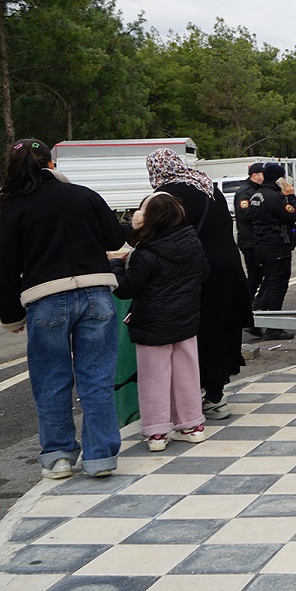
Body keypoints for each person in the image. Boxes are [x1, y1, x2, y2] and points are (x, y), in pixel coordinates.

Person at [0, 138, 129, 479]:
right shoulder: (83, 194)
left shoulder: (15, 207)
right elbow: (114, 239)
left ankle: (58, 456)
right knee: (96, 378)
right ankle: (100, 457)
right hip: (97, 292)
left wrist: (11, 315)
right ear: (52, 163)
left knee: (51, 378)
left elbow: (5, 267)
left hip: (46, 297)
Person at [147, 149, 256, 415]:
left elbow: (156, 236)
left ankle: (188, 401)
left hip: (197, 272)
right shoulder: (206, 185)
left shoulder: (166, 196)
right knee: (220, 328)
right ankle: (216, 395)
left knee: (196, 333)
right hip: (228, 266)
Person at [110, 191, 210, 452]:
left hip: (152, 325)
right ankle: (191, 426)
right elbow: (205, 273)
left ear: (147, 219)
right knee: (187, 375)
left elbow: (125, 289)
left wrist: (116, 266)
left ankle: (157, 434)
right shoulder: (193, 243)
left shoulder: (145, 252)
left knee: (154, 378)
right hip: (186, 320)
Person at [246, 163, 296, 332]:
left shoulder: (257, 195)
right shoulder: (273, 197)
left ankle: (257, 320)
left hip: (262, 245)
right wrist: (291, 197)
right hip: (276, 246)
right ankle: (274, 328)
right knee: (278, 286)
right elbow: (292, 215)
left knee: (269, 284)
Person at [234, 162, 265, 304]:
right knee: (255, 275)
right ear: (255, 175)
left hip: (258, 239)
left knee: (263, 274)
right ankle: (245, 303)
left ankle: (254, 302)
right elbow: (244, 214)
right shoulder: (245, 192)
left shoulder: (258, 190)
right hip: (250, 240)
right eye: (262, 174)